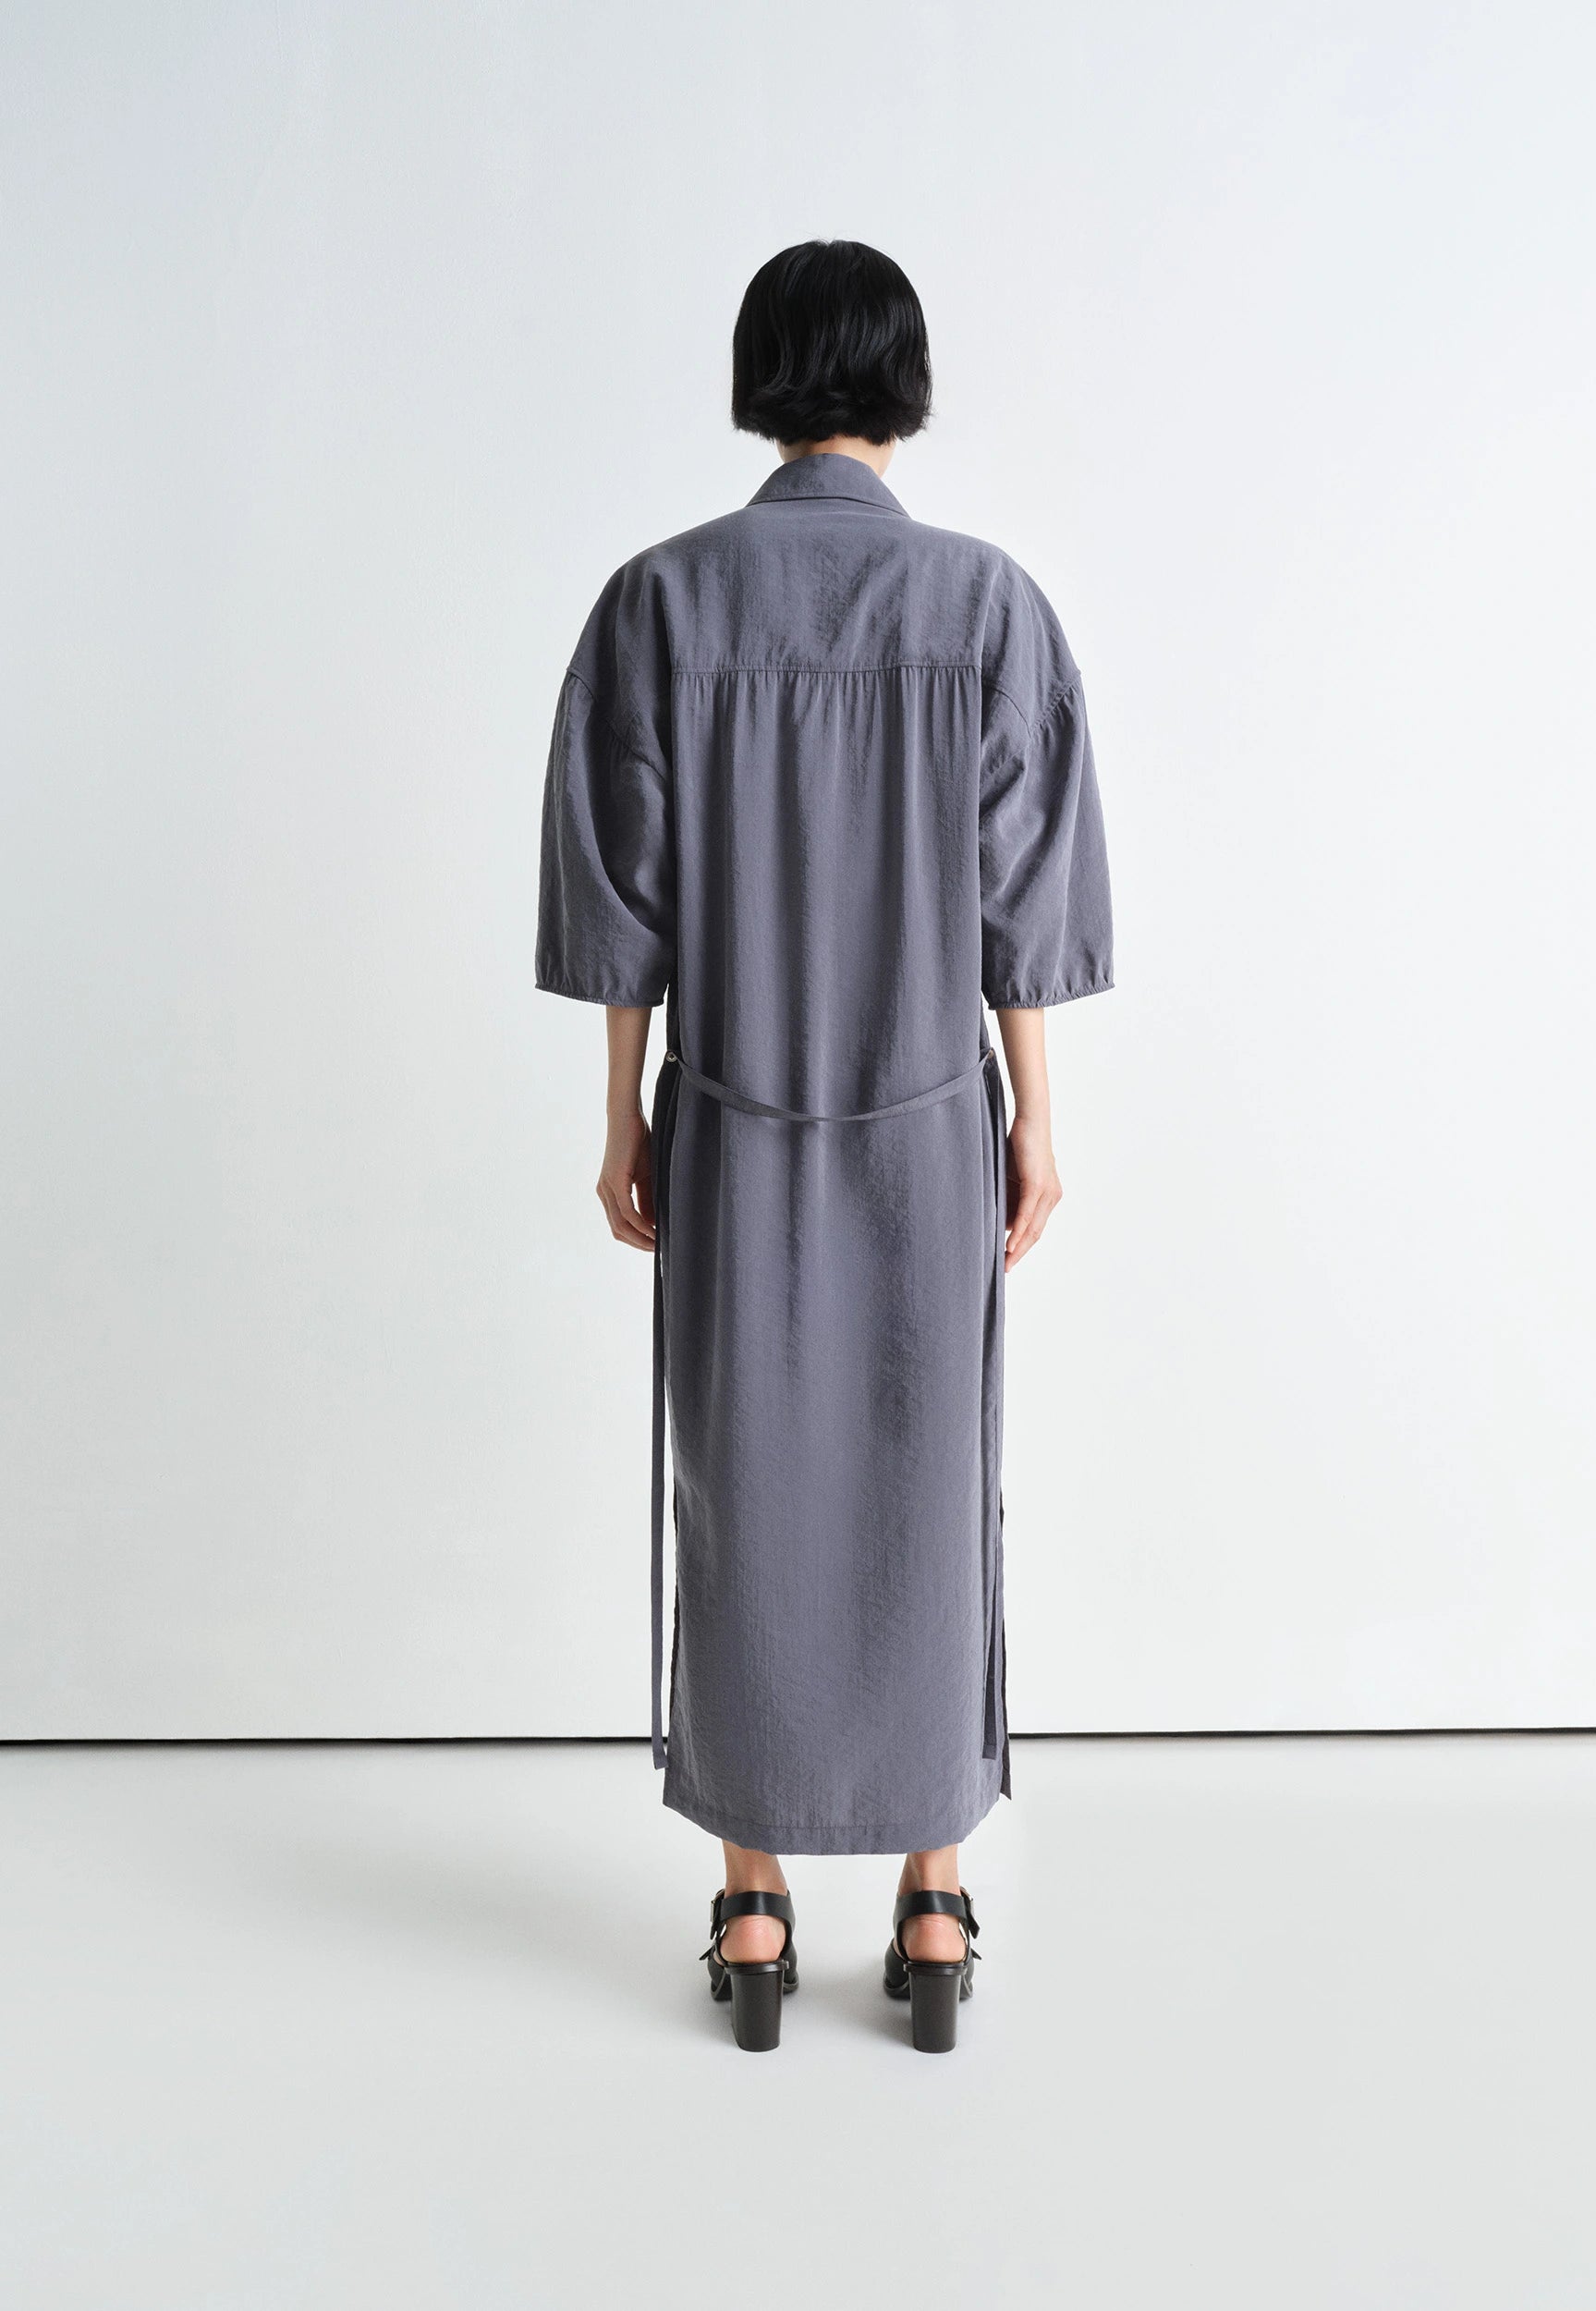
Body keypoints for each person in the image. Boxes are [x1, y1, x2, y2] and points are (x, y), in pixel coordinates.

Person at [536, 239, 1114, 2052]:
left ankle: (753, 1892)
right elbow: (1025, 899)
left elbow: (618, 901)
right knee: (934, 1482)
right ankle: (932, 1897)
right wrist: (1037, 1116)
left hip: (729, 1118)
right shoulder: (987, 606)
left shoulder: (659, 603)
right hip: (929, 1125)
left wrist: (622, 1113)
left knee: (741, 1485)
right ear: (903, 383)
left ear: (760, 379)